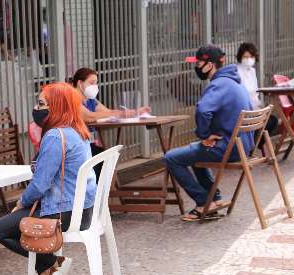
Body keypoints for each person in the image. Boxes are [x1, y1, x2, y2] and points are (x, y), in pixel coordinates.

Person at [0, 82, 97, 275]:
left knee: (0, 229)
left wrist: (21, 202)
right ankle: (50, 267)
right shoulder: (79, 131)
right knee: (13, 222)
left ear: (57, 107)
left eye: (41, 104)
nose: (36, 108)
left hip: (62, 212)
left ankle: (49, 266)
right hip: (83, 211)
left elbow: (39, 186)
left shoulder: (55, 137)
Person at [165, 45, 254, 221]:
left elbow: (203, 110)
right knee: (197, 150)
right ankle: (215, 198)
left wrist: (204, 135)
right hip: (243, 146)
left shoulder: (218, 84)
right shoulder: (234, 82)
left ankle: (203, 202)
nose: (196, 67)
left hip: (230, 148)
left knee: (171, 158)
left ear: (210, 65)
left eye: (199, 63)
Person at [70, 67, 150, 179]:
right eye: (91, 83)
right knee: (100, 160)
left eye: (96, 83)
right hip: (75, 146)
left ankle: (100, 193)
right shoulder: (71, 99)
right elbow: (89, 117)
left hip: (88, 143)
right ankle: (94, 193)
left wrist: (135, 112)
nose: (94, 87)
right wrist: (117, 113)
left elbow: (107, 112)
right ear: (80, 83)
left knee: (105, 158)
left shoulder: (91, 100)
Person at [236, 42, 278, 150]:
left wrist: (260, 108)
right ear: (240, 57)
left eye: (251, 57)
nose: (248, 59)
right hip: (243, 111)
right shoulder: (236, 72)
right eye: (245, 57)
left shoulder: (252, 71)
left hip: (254, 109)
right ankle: (251, 146)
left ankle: (255, 145)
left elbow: (255, 94)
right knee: (263, 122)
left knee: (272, 120)